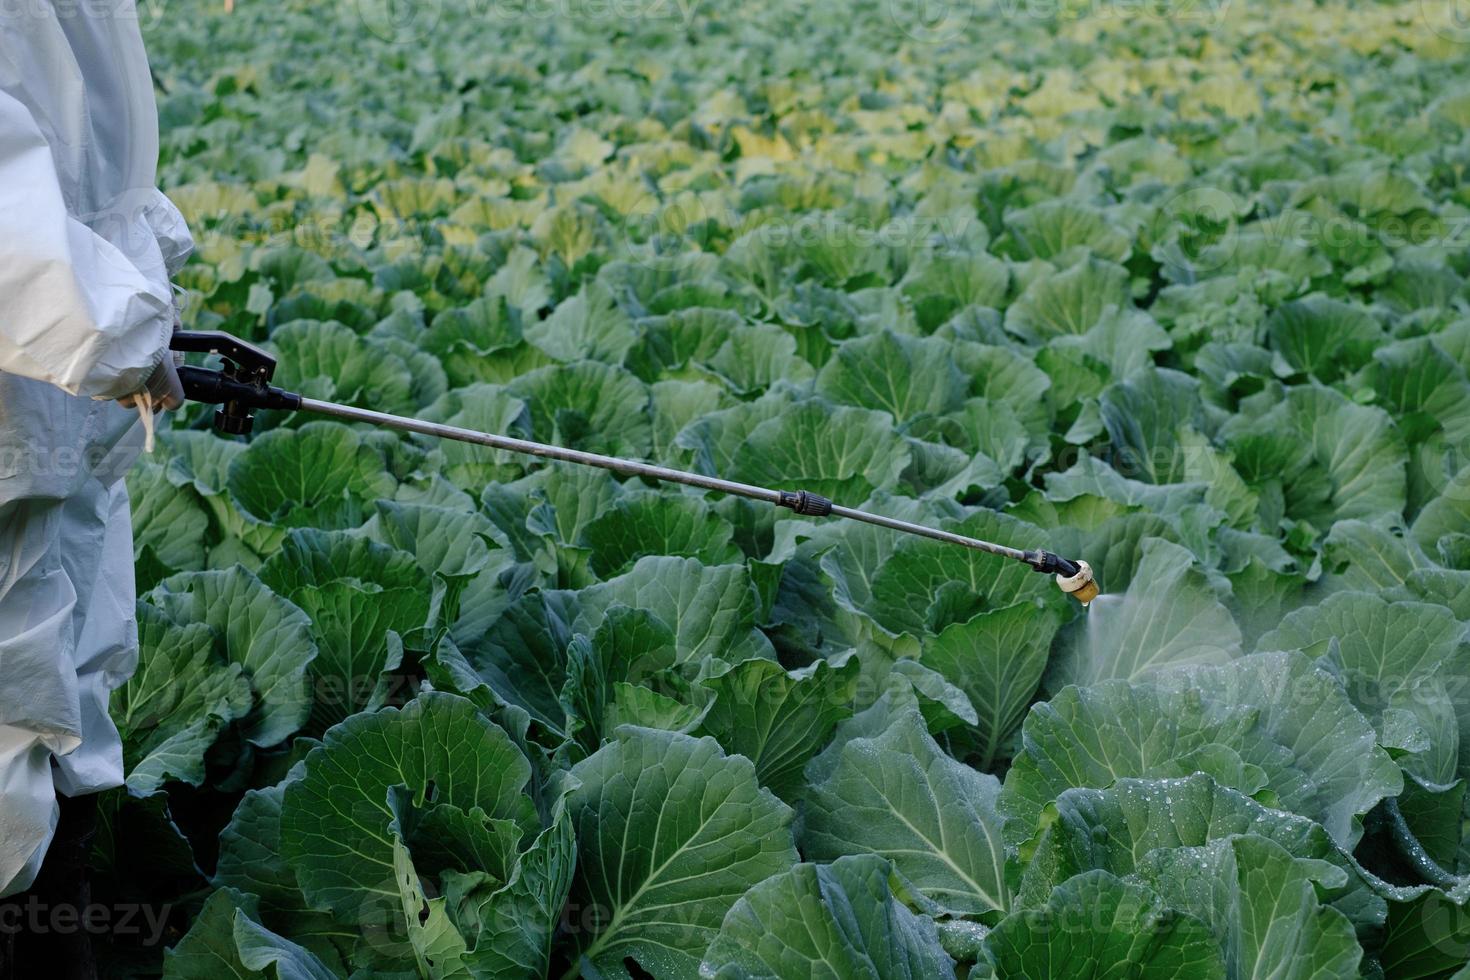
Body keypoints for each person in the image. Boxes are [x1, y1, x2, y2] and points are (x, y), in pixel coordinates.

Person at [0, 1, 191, 975]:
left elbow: (85, 156)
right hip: (23, 399)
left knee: (65, 691)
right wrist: (125, 327)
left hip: (56, 405)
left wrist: (135, 320)